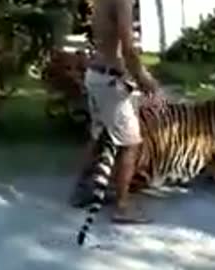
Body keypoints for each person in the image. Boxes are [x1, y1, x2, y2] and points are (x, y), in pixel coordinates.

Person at [72, 0, 164, 222]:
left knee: (98, 135)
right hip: (108, 81)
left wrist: (131, 76)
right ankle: (123, 207)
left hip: (97, 75)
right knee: (130, 143)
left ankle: (81, 190)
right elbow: (128, 48)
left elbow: (111, 45)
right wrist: (146, 81)